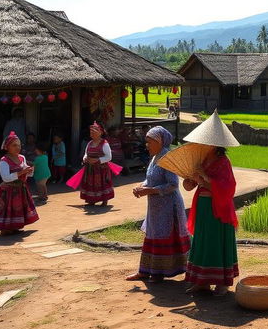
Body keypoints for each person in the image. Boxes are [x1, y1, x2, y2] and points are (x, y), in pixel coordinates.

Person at [182, 111, 239, 296]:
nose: (202, 144)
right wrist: (190, 179)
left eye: (205, 141)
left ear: (215, 145)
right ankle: (202, 282)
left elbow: (228, 188)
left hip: (219, 210)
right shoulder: (201, 160)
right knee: (202, 241)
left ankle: (222, 284)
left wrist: (204, 178)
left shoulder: (223, 162)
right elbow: (189, 186)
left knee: (216, 242)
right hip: (203, 208)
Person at [126, 126, 190, 283]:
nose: (146, 145)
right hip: (156, 207)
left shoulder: (167, 158)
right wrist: (142, 186)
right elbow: (150, 178)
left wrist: (150, 190)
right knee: (153, 235)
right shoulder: (154, 157)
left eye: (150, 142)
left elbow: (173, 184)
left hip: (169, 207)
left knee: (164, 236)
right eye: (146, 142)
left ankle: (159, 272)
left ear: (160, 142)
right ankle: (146, 271)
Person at [0, 131, 39, 234]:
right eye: (14, 145)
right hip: (8, 190)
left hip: (21, 189)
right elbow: (6, 178)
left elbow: (27, 174)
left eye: (19, 145)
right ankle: (6, 228)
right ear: (7, 147)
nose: (18, 147)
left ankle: (15, 227)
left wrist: (30, 170)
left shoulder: (22, 157)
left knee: (18, 208)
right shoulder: (4, 160)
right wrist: (22, 172)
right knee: (8, 209)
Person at [80, 122, 114, 206]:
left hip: (101, 169)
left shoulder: (104, 144)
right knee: (91, 184)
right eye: (91, 132)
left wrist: (97, 160)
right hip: (90, 169)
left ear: (100, 133)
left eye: (94, 132)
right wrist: (85, 158)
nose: (92, 134)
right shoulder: (90, 143)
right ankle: (92, 200)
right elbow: (86, 153)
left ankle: (104, 200)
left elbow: (109, 157)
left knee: (102, 184)